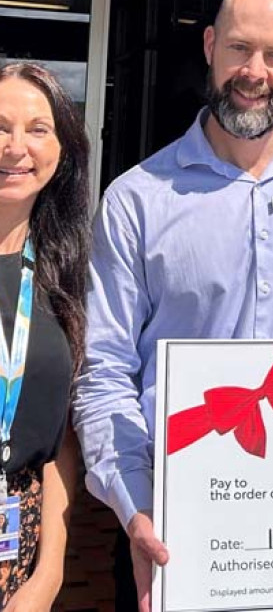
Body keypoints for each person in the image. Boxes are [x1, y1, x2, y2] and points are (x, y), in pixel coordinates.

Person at [72, 0, 273, 612]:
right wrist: (137, 506)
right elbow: (104, 370)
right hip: (174, 517)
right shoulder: (137, 199)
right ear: (210, 46)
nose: (254, 71)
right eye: (240, 48)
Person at [0, 62, 89, 609]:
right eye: (0, 127)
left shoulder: (65, 272)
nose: (16, 147)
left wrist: (49, 571)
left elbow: (61, 434)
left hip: (19, 551)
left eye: (38, 129)